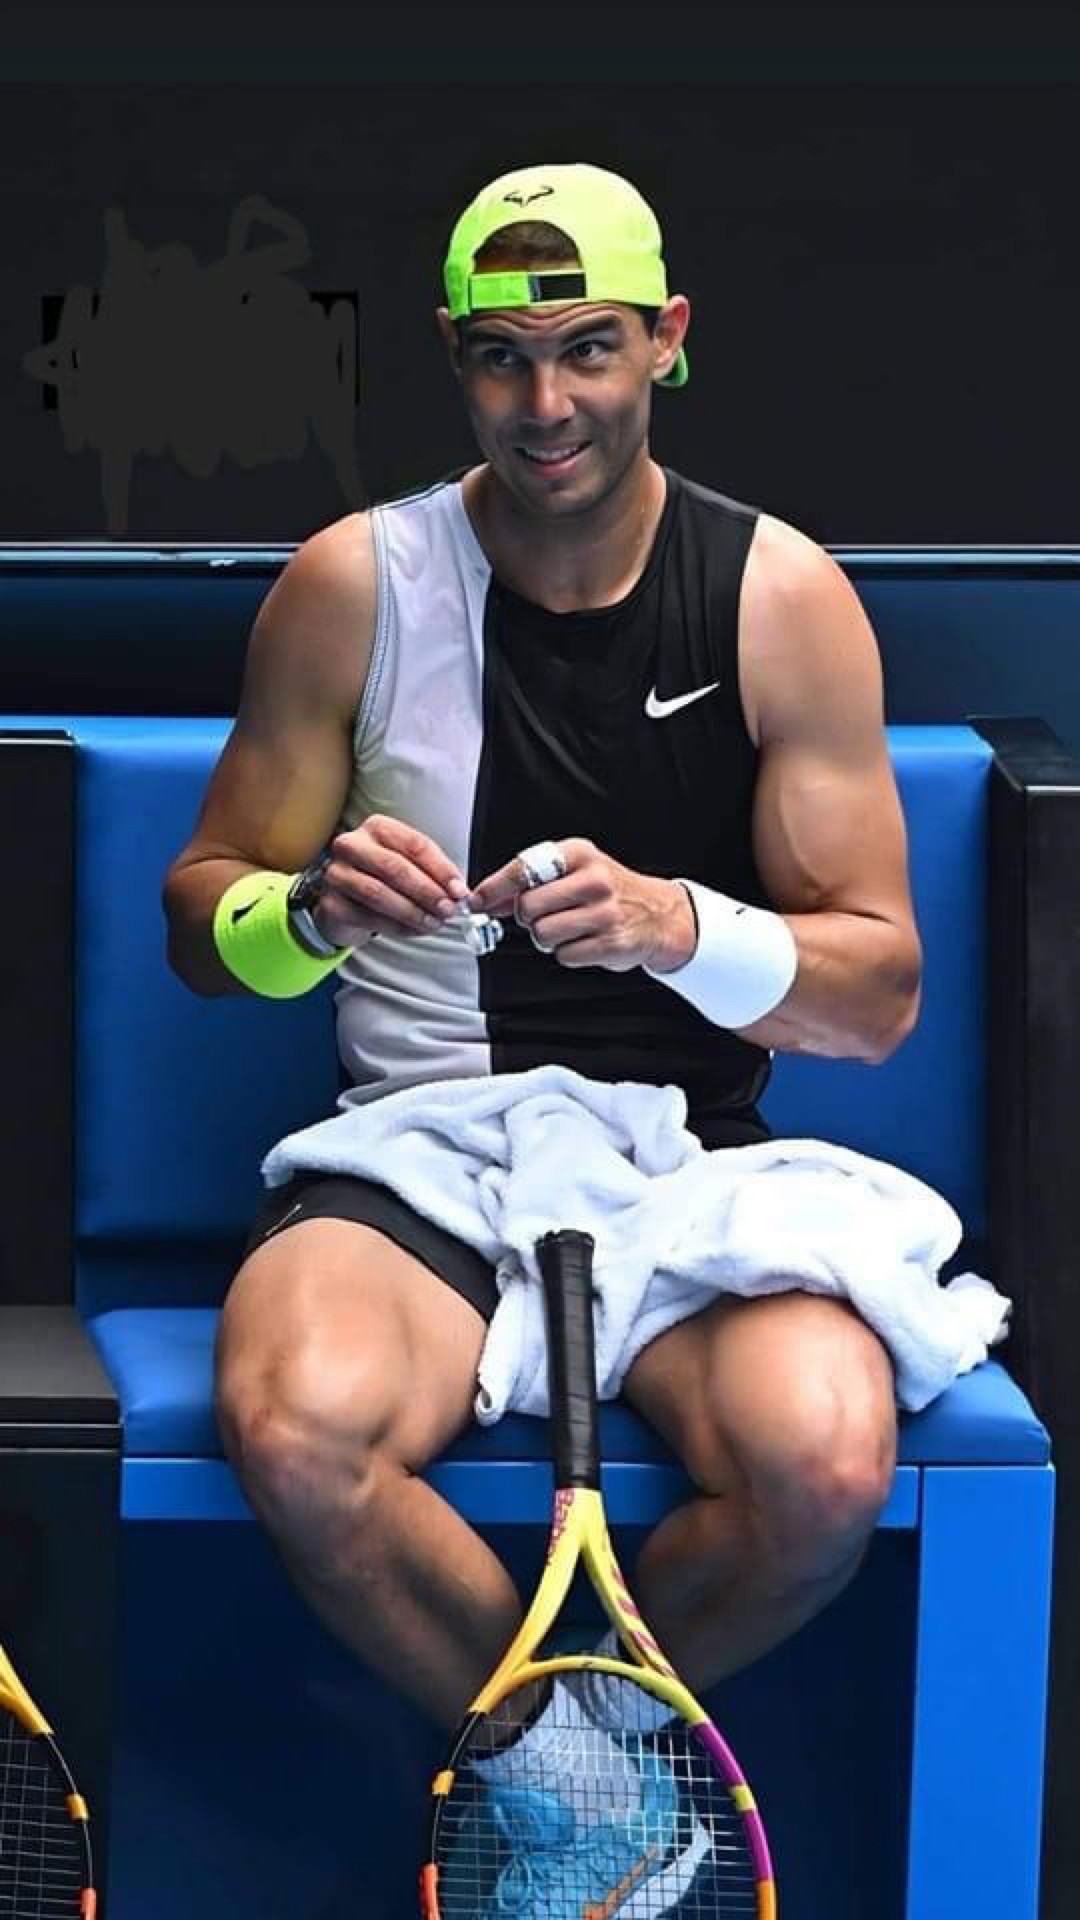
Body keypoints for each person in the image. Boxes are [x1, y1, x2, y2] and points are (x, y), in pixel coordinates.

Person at [163, 162, 921, 1908]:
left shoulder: (780, 596)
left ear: (667, 338)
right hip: (415, 1147)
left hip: (686, 1158)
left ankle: (551, 1774)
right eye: (501, 357)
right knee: (295, 1425)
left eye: (588, 347)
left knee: (823, 1462)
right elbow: (204, 929)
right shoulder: (354, 584)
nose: (546, 402)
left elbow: (877, 995)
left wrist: (681, 927)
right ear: (455, 358)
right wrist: (307, 913)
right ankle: (593, 1806)